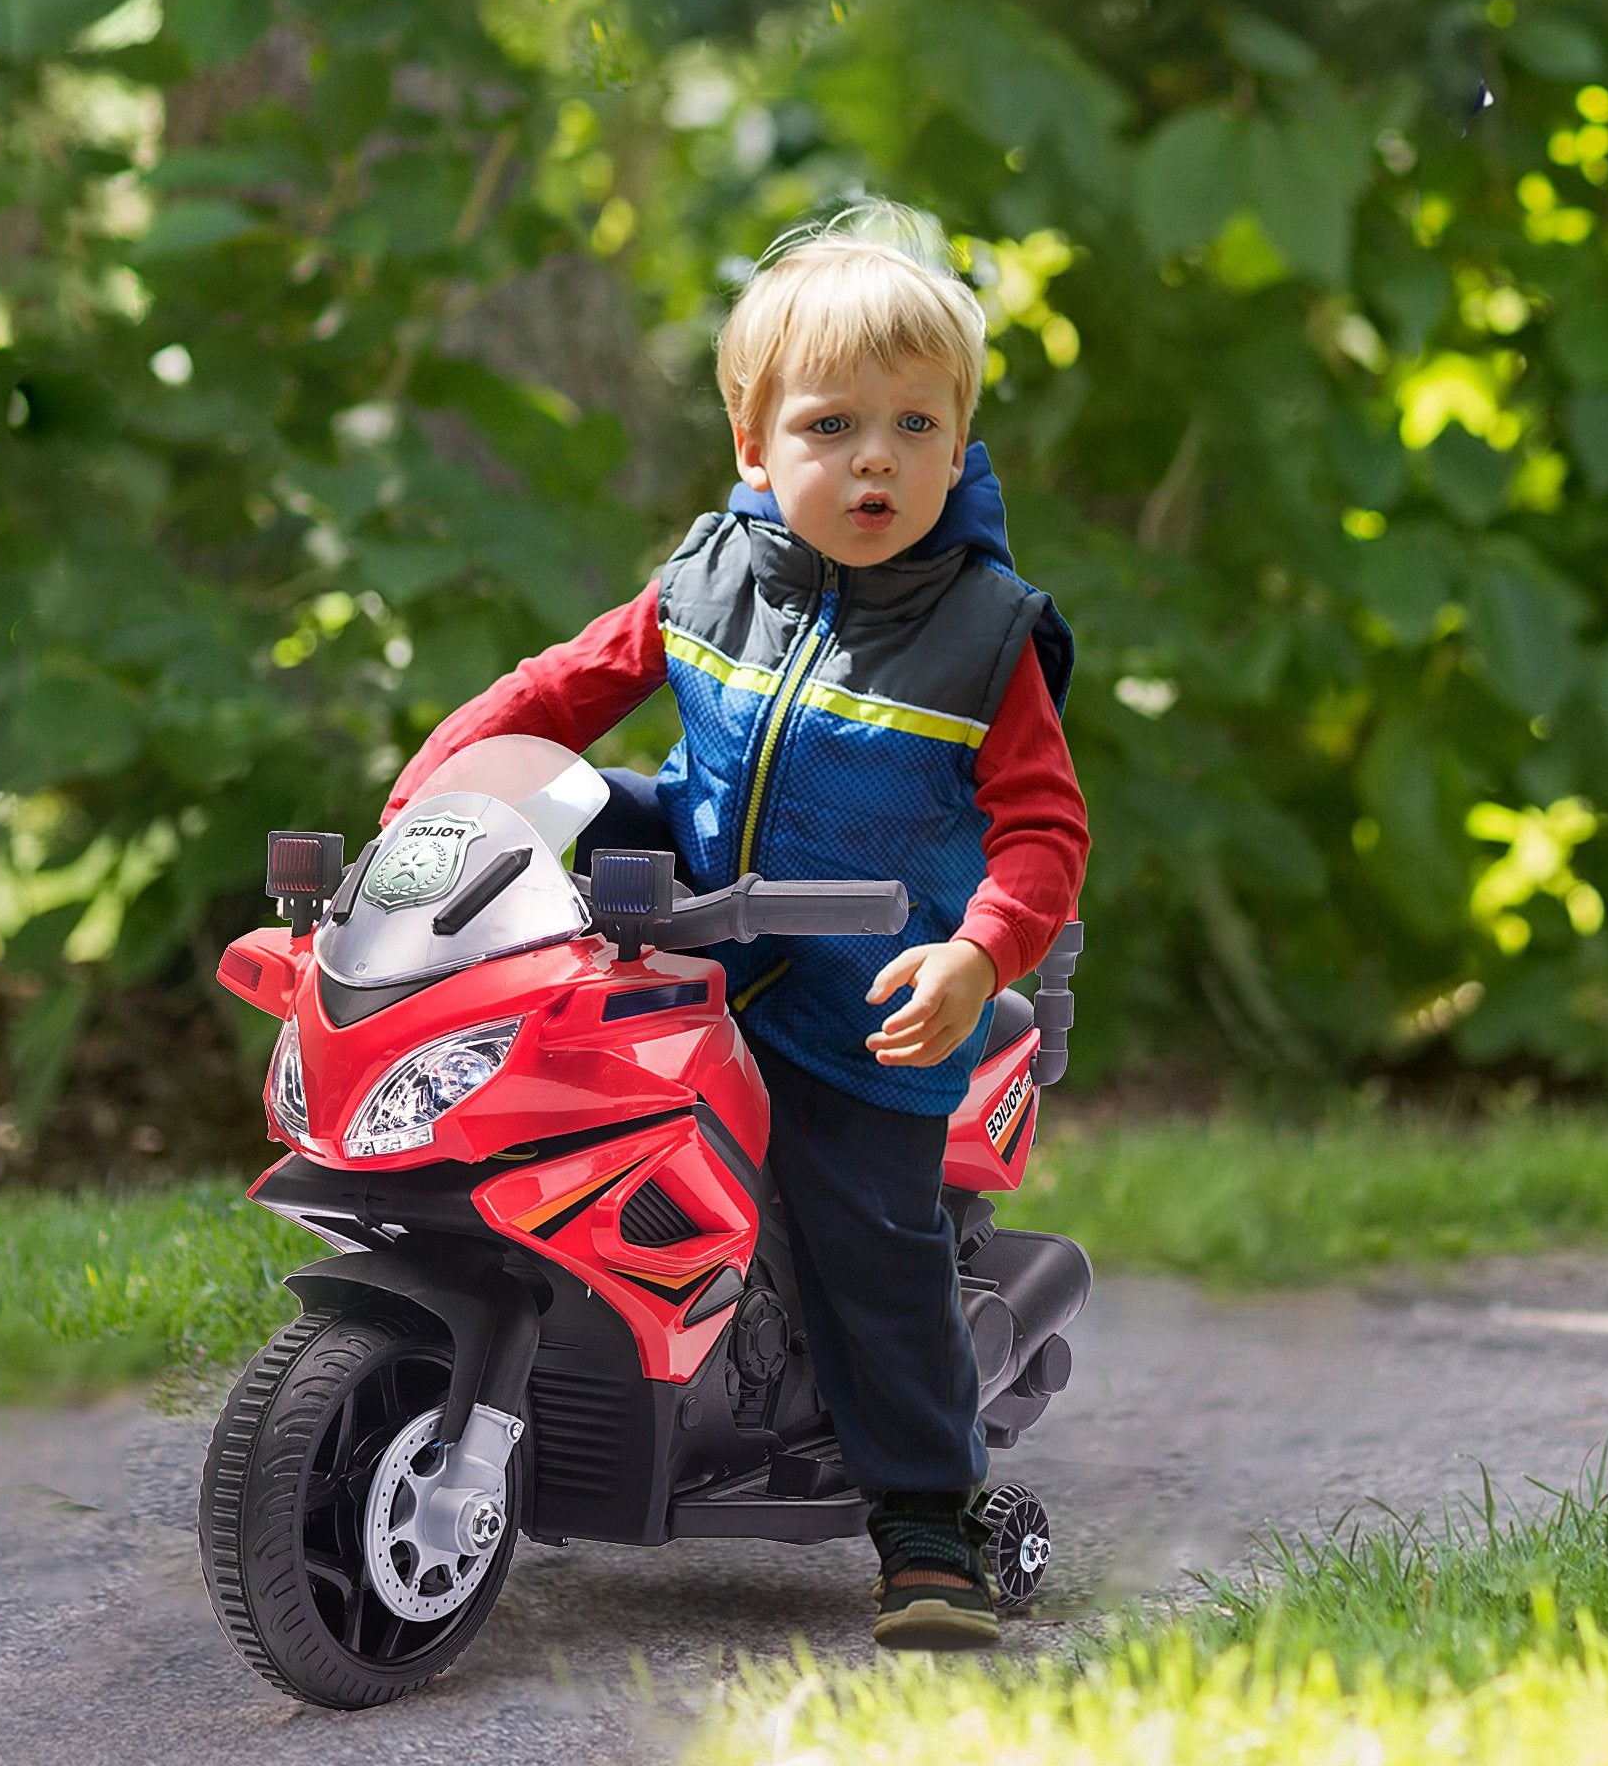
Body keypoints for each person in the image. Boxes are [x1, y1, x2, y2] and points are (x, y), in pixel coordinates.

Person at [381, 200, 1089, 1648]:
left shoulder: (987, 633)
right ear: (757, 447)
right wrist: (434, 800)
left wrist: (975, 954)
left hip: (862, 999)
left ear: (959, 448)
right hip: (685, 940)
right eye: (832, 426)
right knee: (549, 1057)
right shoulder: (707, 578)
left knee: (864, 1236)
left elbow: (1043, 833)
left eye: (914, 425)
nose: (875, 457)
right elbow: (557, 692)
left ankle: (925, 1525)